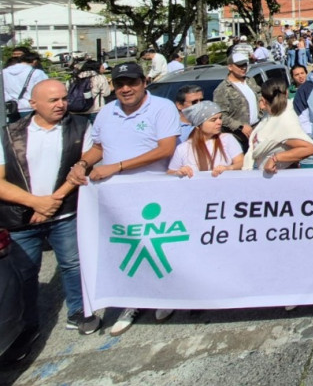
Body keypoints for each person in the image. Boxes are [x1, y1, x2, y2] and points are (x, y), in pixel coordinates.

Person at [66, 61, 179, 336]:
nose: (126, 89)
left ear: (144, 82)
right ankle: (133, 302)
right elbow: (98, 147)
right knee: (128, 249)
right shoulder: (106, 112)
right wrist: (82, 164)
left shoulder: (162, 108)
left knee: (160, 248)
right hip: (116, 197)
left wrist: (116, 167)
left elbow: (165, 149)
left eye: (132, 82)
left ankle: (167, 296)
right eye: (120, 84)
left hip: (154, 193)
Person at [0, 80, 98, 363]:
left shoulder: (79, 127)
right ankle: (24, 326)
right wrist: (36, 203)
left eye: (64, 99)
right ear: (33, 105)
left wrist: (53, 201)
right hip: (22, 218)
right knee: (24, 273)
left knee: (72, 263)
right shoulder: (9, 134)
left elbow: (86, 161)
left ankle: (78, 311)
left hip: (65, 212)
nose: (61, 104)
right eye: (53, 100)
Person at [244, 78, 313, 172]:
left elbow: (309, 148)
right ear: (287, 93)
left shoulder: (285, 120)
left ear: (263, 100)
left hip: (280, 177)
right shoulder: (271, 115)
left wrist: (275, 158)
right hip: (262, 174)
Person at [167, 101, 243, 178]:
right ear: (198, 125)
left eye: (220, 118)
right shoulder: (183, 148)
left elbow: (241, 162)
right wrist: (179, 172)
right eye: (213, 120)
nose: (219, 122)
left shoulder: (227, 139)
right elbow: (170, 172)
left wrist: (228, 168)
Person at [213, 52, 260, 152]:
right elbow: (221, 115)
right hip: (237, 138)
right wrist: (240, 126)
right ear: (230, 67)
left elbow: (260, 100)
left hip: (256, 132)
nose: (243, 68)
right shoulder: (223, 89)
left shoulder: (250, 81)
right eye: (239, 65)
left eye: (245, 65)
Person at [3, 52, 48, 120]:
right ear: (35, 61)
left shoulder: (4, 72)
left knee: (12, 130)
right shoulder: (37, 73)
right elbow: (45, 90)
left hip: (10, 108)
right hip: (30, 108)